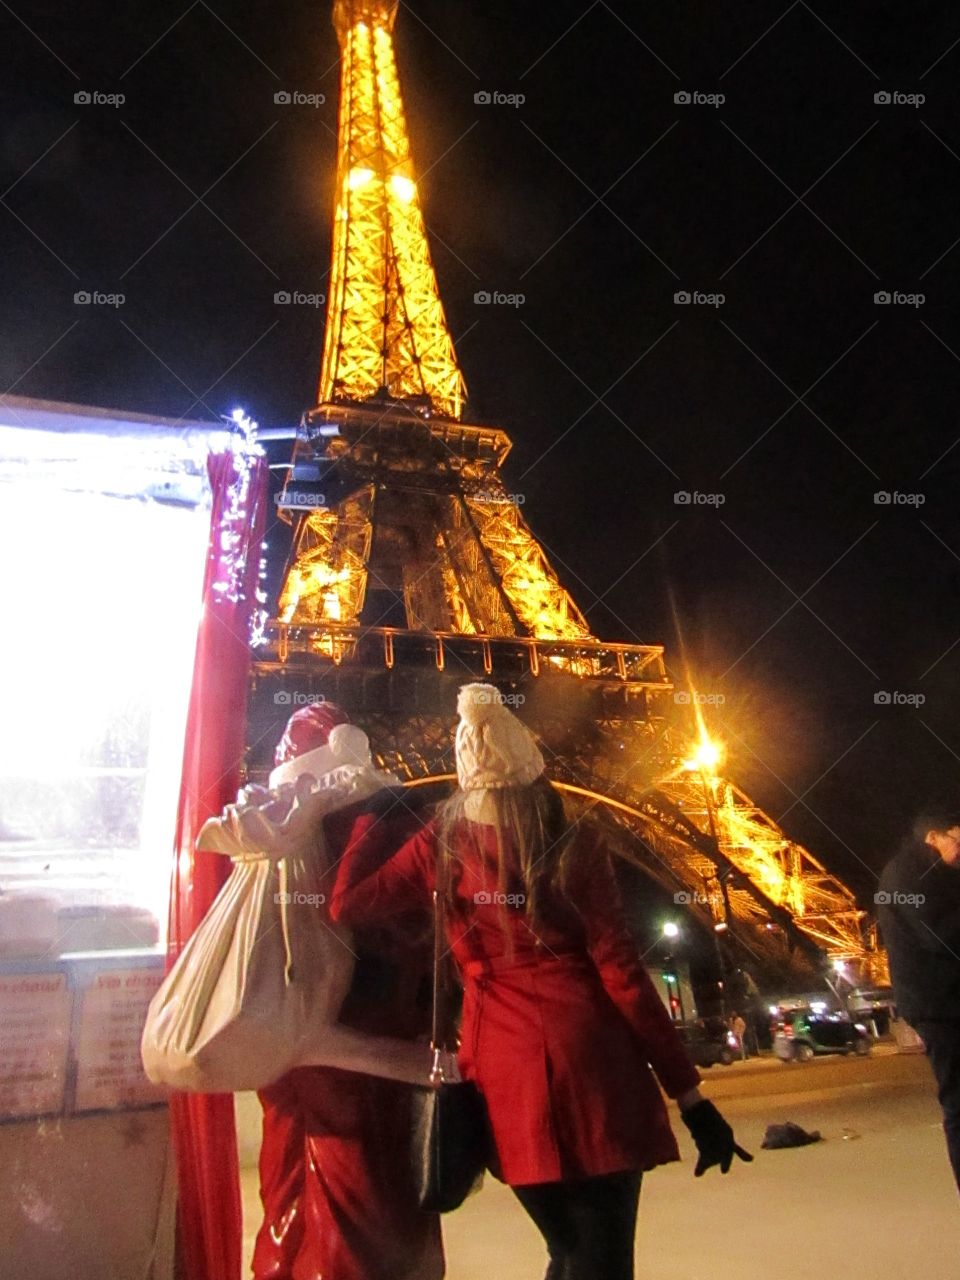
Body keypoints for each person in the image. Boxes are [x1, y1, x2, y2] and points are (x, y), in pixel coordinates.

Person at [330, 683, 751, 1280]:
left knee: (566, 1252)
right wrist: (690, 1095)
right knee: (599, 1263)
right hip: (594, 1072)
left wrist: (369, 813)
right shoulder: (574, 844)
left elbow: (346, 904)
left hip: (500, 1077)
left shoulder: (442, 842)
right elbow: (623, 977)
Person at [252, 701, 444, 1280]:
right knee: (375, 1221)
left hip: (305, 1062)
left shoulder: (277, 850)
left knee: (296, 1203)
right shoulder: (393, 834)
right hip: (379, 1059)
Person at [878, 806, 960, 1194]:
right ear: (934, 836)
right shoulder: (909, 874)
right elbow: (939, 934)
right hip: (940, 1007)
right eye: (959, 841)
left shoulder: (932, 872)